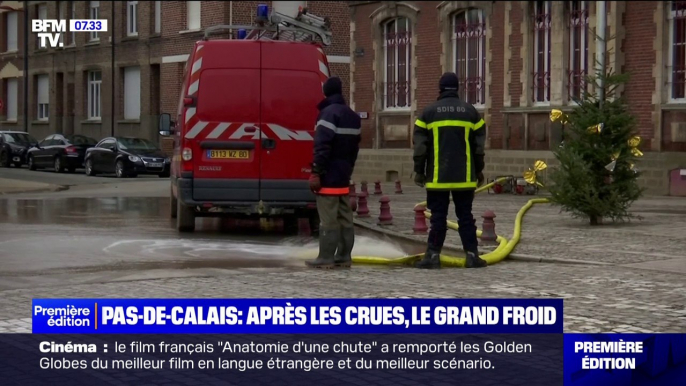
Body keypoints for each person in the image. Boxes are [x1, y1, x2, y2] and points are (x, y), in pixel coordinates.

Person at [412, 72, 488, 269]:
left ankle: (433, 256)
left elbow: (420, 148)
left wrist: (419, 171)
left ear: (440, 88)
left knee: (438, 217)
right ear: (457, 88)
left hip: (438, 178)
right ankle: (472, 256)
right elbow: (479, 149)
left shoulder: (427, 114)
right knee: (465, 216)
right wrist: (478, 171)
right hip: (465, 178)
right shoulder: (471, 112)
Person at [306, 76, 362, 269]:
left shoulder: (327, 114)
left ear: (326, 92)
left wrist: (316, 172)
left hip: (328, 176)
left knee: (328, 218)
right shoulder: (353, 116)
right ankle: (344, 256)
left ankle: (326, 257)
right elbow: (355, 149)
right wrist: (348, 170)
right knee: (345, 217)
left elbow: (322, 146)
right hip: (343, 176)